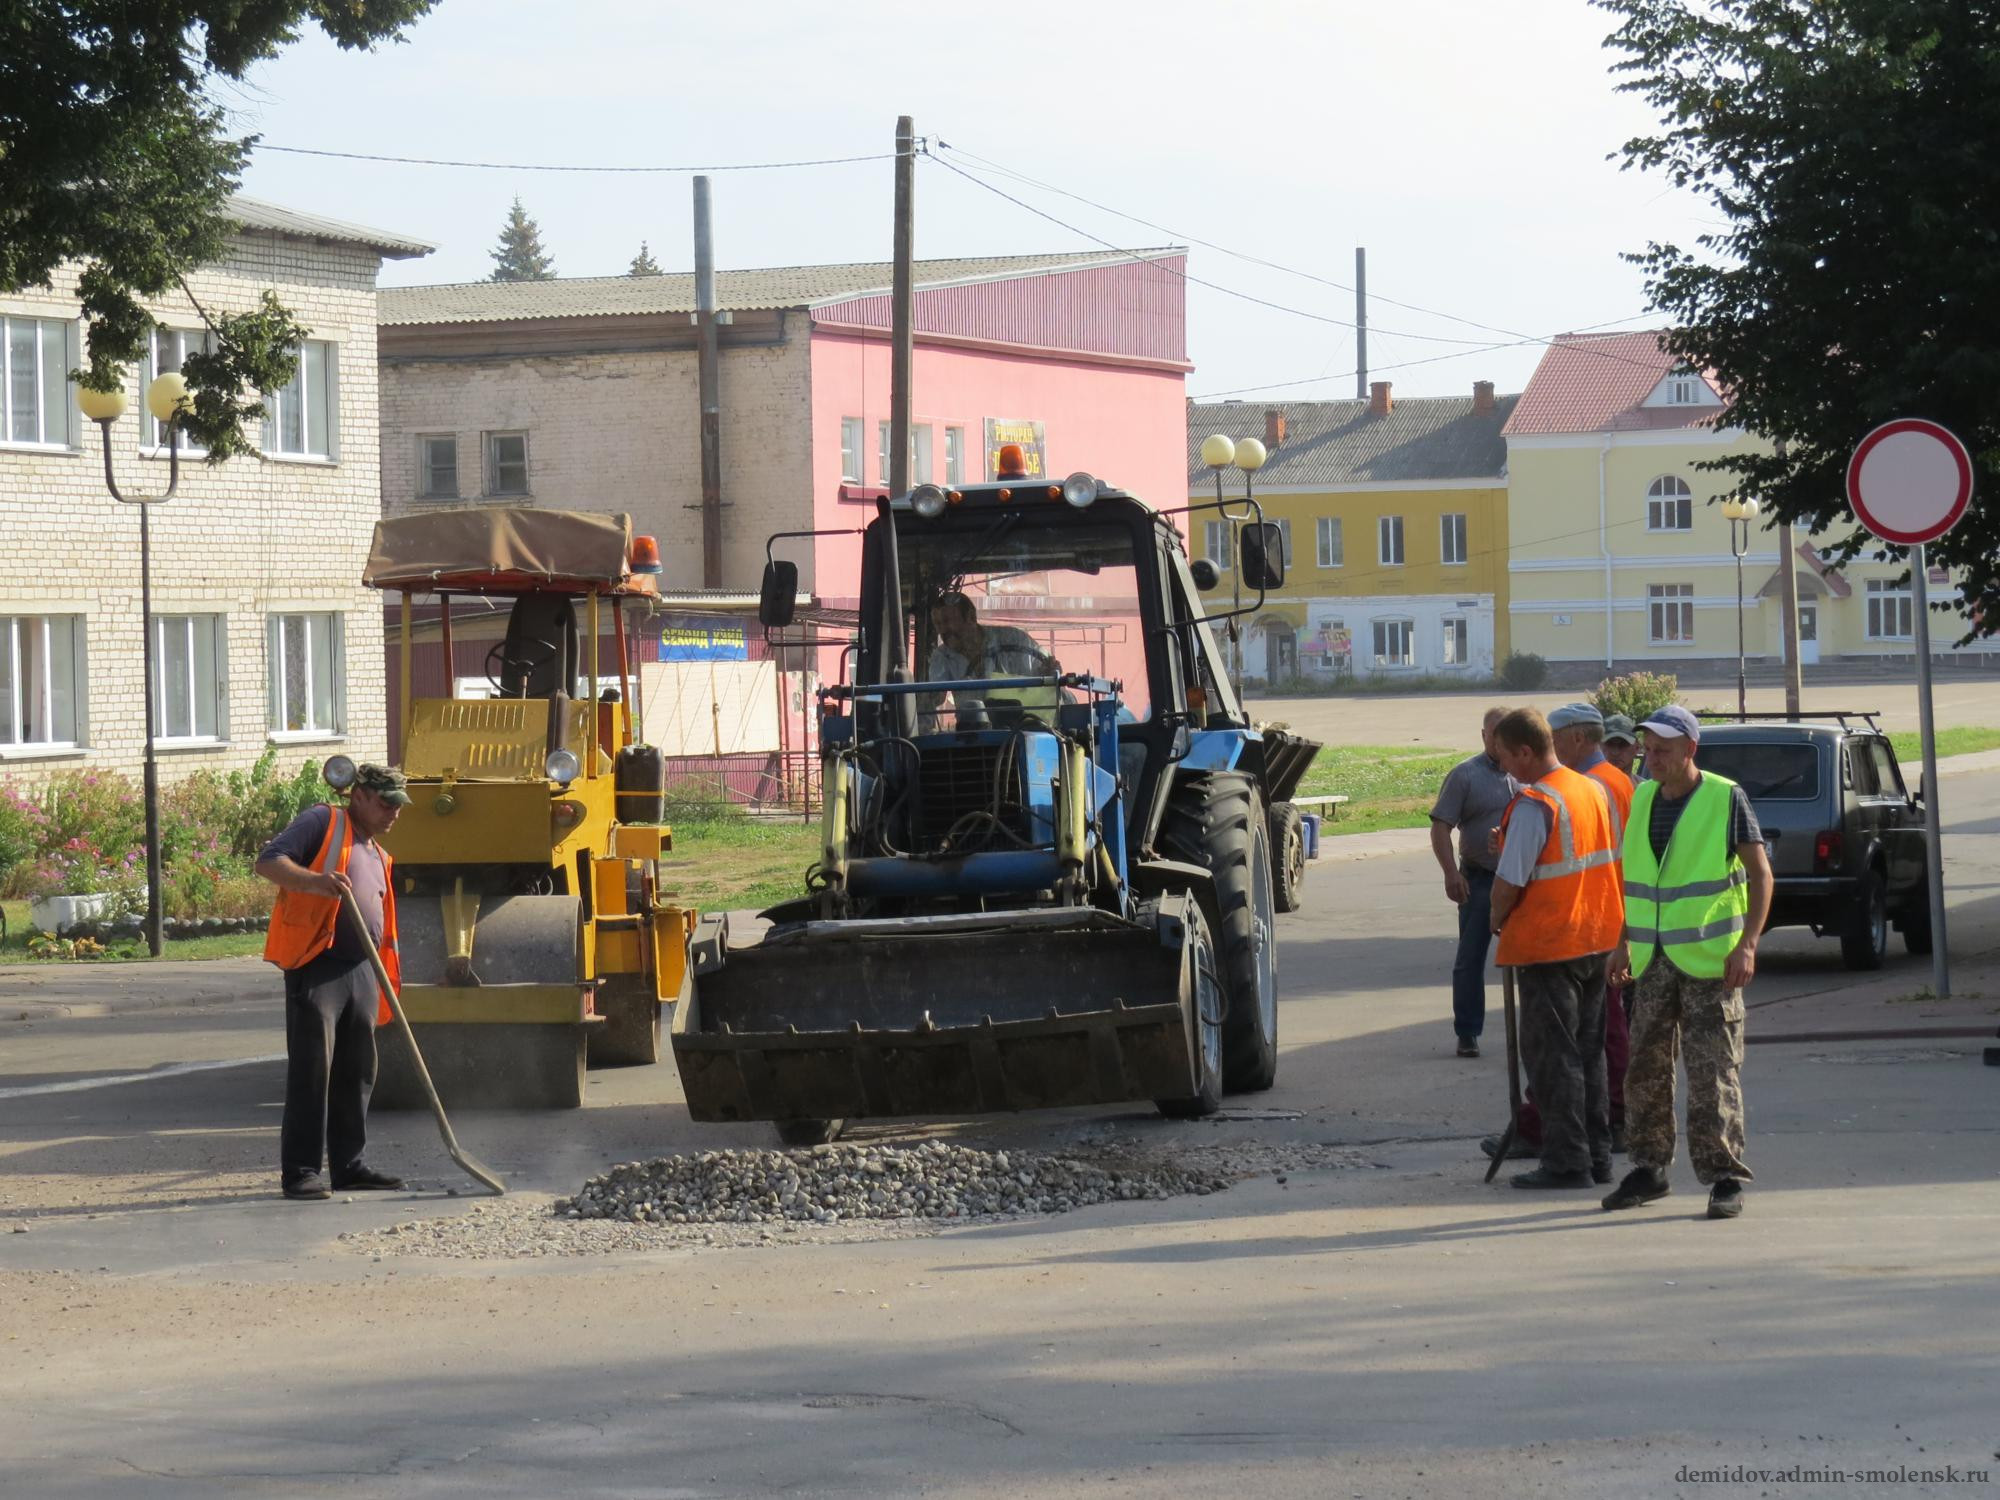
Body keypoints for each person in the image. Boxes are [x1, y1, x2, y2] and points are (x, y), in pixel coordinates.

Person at [1603, 706, 1773, 1220]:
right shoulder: (1643, 795)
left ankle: (1724, 1177)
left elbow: (1761, 875)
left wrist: (1748, 944)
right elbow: (1634, 880)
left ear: (1689, 750)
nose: (1651, 760)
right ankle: (1649, 1169)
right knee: (1645, 1070)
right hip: (1652, 958)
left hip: (1711, 962)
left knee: (1712, 1073)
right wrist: (1620, 941)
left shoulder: (1725, 797)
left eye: (1663, 751)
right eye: (1647, 750)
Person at [1486, 703, 1636, 1163]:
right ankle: (1597, 1152)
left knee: (1553, 1058)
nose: (1506, 769)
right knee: (1589, 1054)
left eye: (1507, 758)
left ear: (1526, 752)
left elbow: (1510, 882)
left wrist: (1494, 919)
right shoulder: (1592, 790)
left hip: (1551, 944)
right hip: (1596, 936)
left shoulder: (1538, 802)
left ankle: (1566, 1159)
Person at [255, 764, 411, 1202]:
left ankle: (349, 1166)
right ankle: (302, 1171)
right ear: (358, 795)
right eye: (386, 804)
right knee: (313, 1070)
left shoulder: (376, 851)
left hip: (360, 967)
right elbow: (269, 862)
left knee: (357, 1071)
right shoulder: (324, 821)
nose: (393, 814)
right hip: (317, 964)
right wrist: (316, 883)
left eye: (398, 807)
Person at [1428, 706, 1519, 1058]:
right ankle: (1467, 1031)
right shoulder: (1465, 775)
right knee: (1470, 958)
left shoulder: (1524, 776)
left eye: (1505, 733)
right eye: (1493, 734)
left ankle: (1534, 1032)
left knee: (1533, 957)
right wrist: (1451, 873)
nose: (1499, 741)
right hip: (1479, 880)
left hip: (1520, 883)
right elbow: (1440, 827)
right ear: (1483, 736)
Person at [922, 592, 1061, 727]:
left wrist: (1050, 670)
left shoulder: (1014, 639)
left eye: (947, 621)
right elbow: (934, 697)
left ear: (971, 617)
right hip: (974, 732)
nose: (943, 630)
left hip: (1025, 726)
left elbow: (1050, 668)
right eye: (938, 624)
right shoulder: (941, 657)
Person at [1602, 714, 1639, 778]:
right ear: (1599, 747)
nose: (1615, 752)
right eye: (1609, 743)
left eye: (1623, 744)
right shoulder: (1588, 785)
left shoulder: (1647, 787)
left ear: (1637, 748)